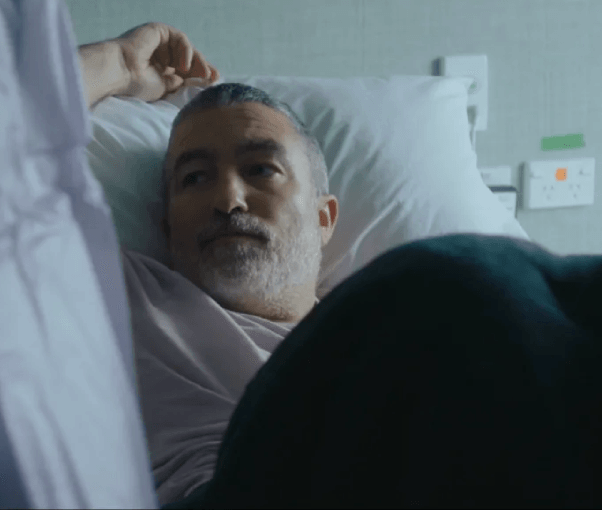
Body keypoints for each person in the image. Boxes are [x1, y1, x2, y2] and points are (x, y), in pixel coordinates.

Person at [79, 22, 602, 509]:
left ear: (324, 217)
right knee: (462, 281)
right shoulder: (129, 290)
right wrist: (121, 62)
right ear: (167, 224)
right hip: (226, 488)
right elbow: (20, 147)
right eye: (195, 178)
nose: (229, 199)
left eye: (261, 169)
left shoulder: (380, 331)